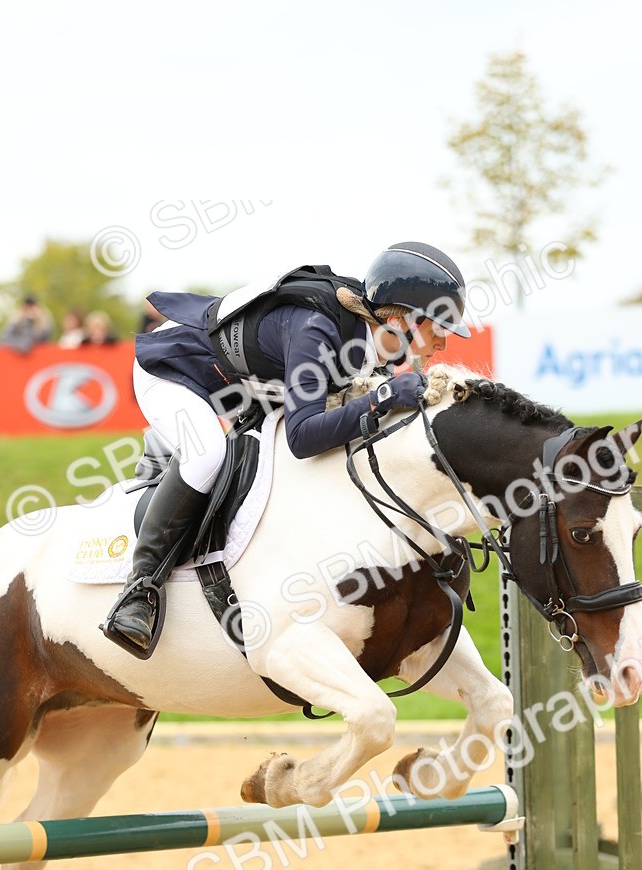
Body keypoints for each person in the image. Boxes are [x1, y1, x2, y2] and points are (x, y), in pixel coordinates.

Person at [103, 241, 471, 655]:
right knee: (207, 455)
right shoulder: (317, 331)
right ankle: (140, 589)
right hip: (175, 369)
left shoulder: (379, 343)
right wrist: (382, 398)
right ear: (401, 320)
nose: (443, 343)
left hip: (247, 386)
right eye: (439, 328)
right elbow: (303, 437)